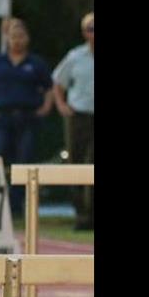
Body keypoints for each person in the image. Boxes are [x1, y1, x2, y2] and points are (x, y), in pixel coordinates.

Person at [0, 18, 53, 214]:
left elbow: (49, 87)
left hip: (27, 117)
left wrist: (45, 107)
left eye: (21, 36)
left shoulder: (36, 63)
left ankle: (16, 206)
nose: (17, 40)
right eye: (13, 37)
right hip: (1, 118)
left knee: (24, 160)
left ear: (27, 38)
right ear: (7, 39)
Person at [52, 12, 94, 230]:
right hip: (79, 115)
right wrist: (61, 105)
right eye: (91, 28)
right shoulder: (75, 56)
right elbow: (58, 81)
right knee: (76, 163)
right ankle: (82, 215)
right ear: (84, 33)